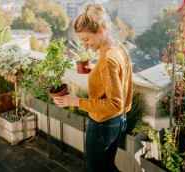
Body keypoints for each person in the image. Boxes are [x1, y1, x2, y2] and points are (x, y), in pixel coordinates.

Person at [53, 4, 133, 172]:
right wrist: (94, 70)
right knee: (107, 166)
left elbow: (114, 104)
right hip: (119, 121)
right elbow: (119, 77)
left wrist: (75, 101)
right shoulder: (118, 48)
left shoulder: (107, 60)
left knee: (95, 168)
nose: (85, 45)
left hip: (103, 124)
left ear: (102, 30)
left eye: (86, 39)